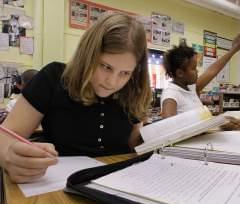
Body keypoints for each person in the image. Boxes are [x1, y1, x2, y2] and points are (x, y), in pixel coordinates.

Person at [0, 12, 152, 183]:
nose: (112, 82)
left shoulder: (132, 89)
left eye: (125, 73)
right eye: (106, 67)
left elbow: (134, 144)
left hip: (121, 183)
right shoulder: (53, 77)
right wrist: (9, 156)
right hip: (57, 188)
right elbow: (6, 135)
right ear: (88, 55)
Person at [160, 33, 240, 118]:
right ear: (180, 73)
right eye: (193, 68)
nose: (197, 71)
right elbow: (169, 126)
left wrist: (233, 50)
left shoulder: (191, 87)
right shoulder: (171, 94)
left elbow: (212, 70)